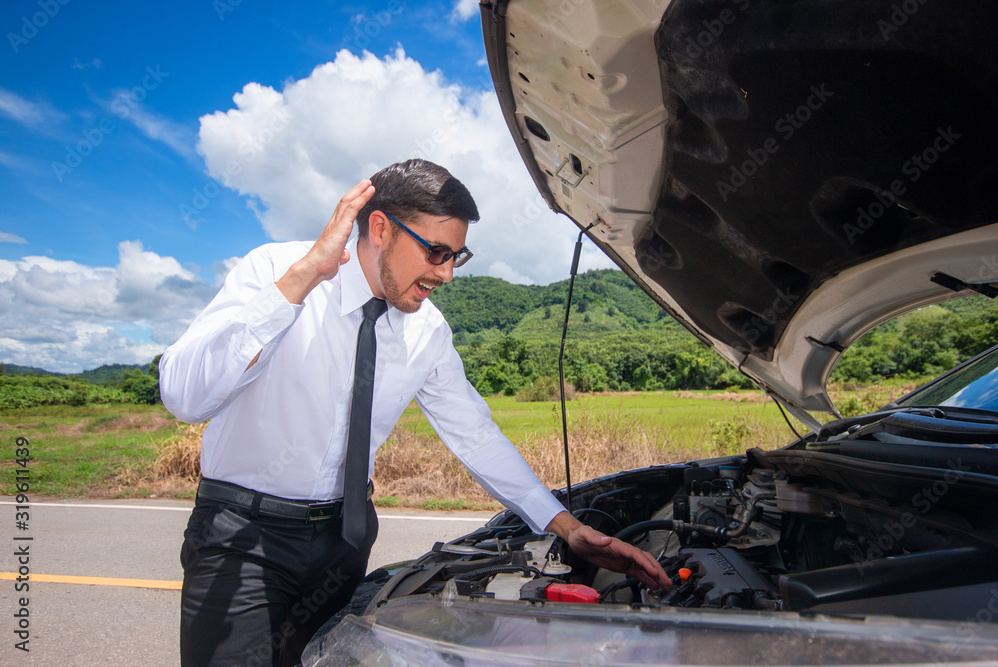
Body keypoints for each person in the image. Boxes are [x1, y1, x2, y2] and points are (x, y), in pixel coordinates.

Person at [159, 159, 670, 666]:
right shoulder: (276, 271)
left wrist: (563, 525)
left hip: (345, 540)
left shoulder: (428, 331)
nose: (445, 273)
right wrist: (301, 281)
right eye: (435, 252)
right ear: (379, 228)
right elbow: (185, 398)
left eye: (457, 256)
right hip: (243, 536)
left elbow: (475, 436)